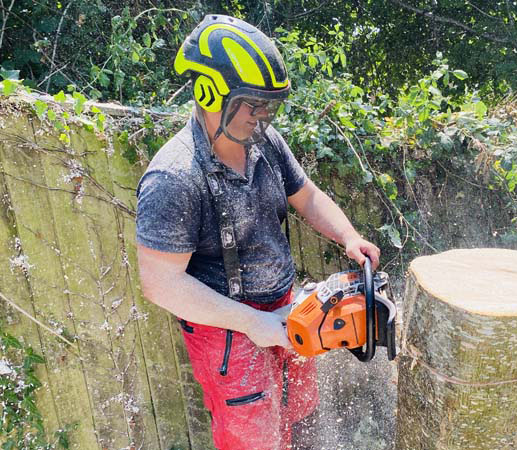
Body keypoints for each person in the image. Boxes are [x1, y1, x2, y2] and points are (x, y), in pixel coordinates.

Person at [135, 14, 380, 450]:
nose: (265, 114)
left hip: (287, 310)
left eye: (270, 105)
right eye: (254, 103)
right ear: (210, 92)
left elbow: (306, 195)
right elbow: (159, 282)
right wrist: (252, 322)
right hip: (227, 332)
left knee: (298, 415)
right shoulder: (173, 177)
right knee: (253, 439)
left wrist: (348, 235)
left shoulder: (264, 142)